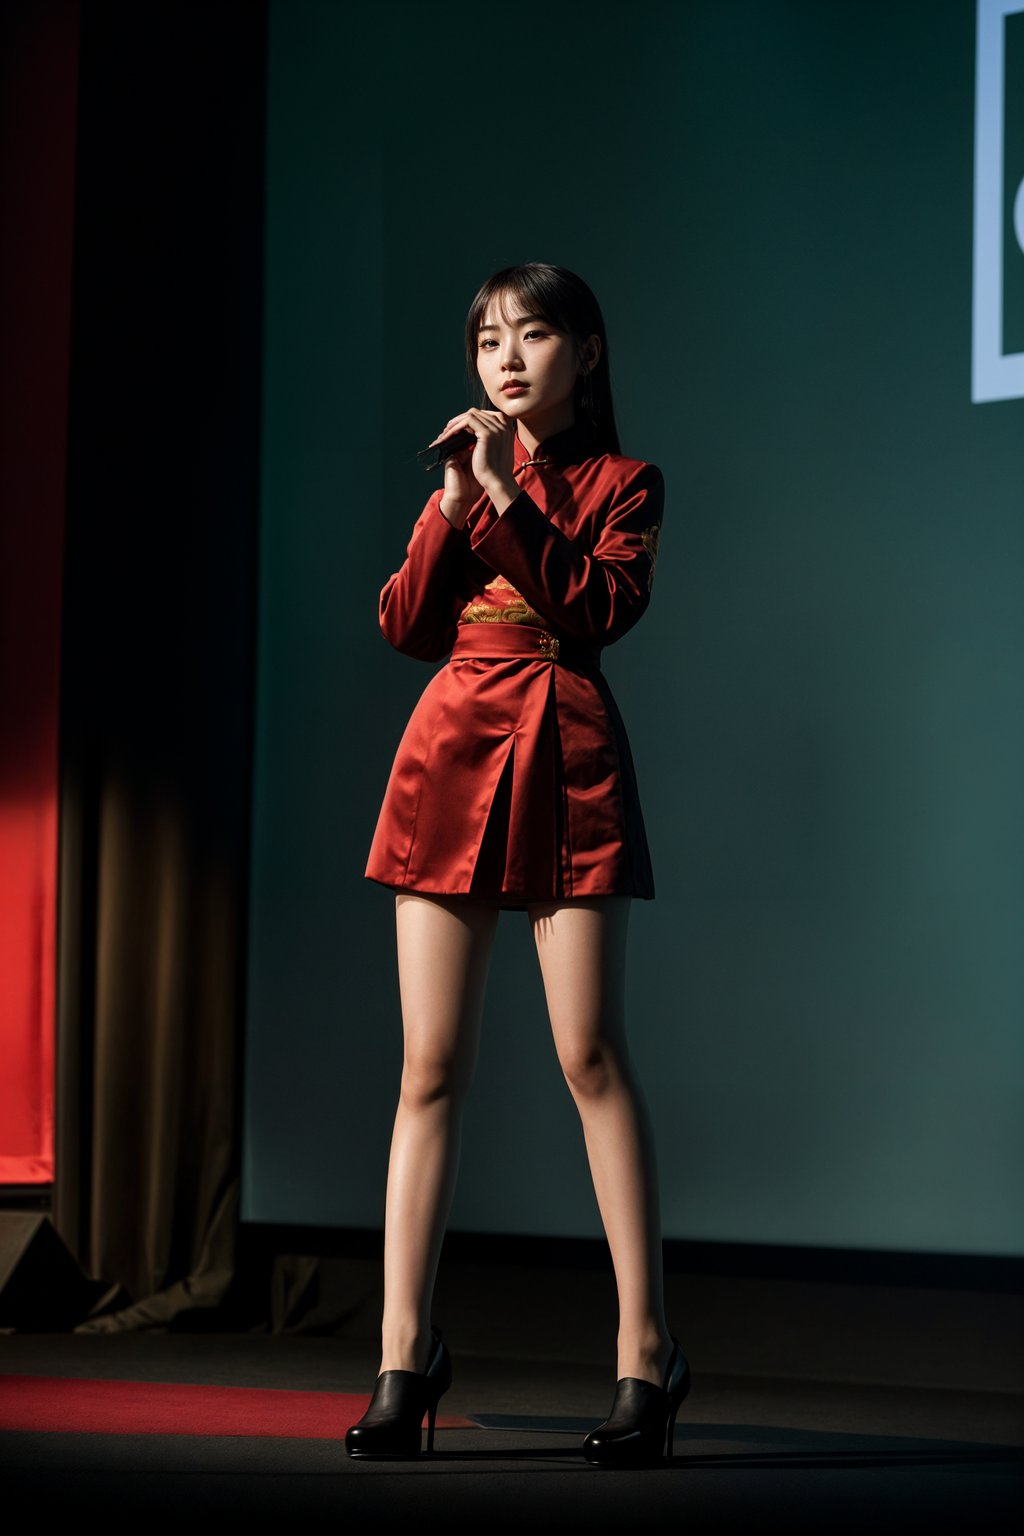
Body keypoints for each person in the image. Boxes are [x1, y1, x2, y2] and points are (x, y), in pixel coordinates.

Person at [346, 263, 689, 1468]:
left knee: (588, 1053)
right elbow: (401, 623)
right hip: (449, 750)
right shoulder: (461, 477)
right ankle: (403, 1354)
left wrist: (500, 498)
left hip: (565, 752)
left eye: (534, 334)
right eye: (489, 339)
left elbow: (598, 607)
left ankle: (644, 1356)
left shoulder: (622, 482)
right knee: (427, 1067)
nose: (506, 358)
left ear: (585, 354)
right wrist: (455, 501)